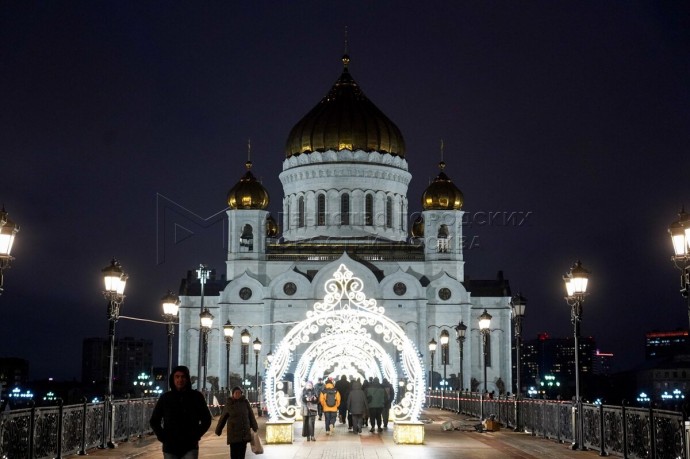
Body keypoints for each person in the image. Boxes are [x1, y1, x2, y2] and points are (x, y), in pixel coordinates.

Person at [149, 365, 212, 459]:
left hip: (190, 446)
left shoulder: (196, 397)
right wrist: (163, 437)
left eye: (183, 376)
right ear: (173, 379)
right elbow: (154, 420)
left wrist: (196, 435)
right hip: (170, 447)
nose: (180, 380)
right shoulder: (165, 398)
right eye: (177, 377)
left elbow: (206, 419)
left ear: (187, 379)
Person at [215, 386, 259, 459]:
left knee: (242, 455)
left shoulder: (245, 402)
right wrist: (218, 430)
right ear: (233, 394)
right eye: (236, 393)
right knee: (234, 455)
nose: (238, 394)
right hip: (233, 434)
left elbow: (251, 415)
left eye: (239, 393)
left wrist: (255, 427)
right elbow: (223, 418)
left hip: (244, 434)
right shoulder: (229, 404)